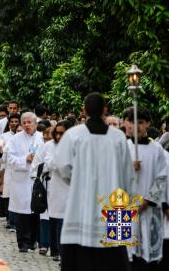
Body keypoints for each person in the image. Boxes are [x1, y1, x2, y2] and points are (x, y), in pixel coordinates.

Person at [53, 92, 135, 271]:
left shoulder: (73, 135)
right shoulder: (118, 137)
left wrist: (78, 181)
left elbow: (62, 167)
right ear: (105, 110)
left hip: (81, 202)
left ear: (84, 109)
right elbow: (128, 176)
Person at [126, 108, 167, 269]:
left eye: (141, 123)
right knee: (124, 257)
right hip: (125, 209)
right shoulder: (122, 147)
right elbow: (111, 174)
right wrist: (129, 168)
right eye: (134, 122)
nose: (137, 126)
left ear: (148, 124)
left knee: (146, 259)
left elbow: (162, 178)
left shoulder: (157, 149)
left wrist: (146, 202)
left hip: (148, 209)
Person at [33, 120, 73, 261]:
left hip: (70, 187)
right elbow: (47, 164)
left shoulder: (75, 145)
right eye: (57, 133)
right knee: (54, 219)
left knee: (65, 221)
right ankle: (55, 250)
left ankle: (64, 253)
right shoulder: (49, 146)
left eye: (63, 133)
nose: (59, 136)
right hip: (54, 186)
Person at [6, 112, 44, 252]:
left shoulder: (41, 138)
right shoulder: (15, 140)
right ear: (21, 124)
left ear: (35, 123)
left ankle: (33, 240)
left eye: (30, 122)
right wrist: (25, 160)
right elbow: (10, 159)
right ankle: (22, 242)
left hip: (36, 181)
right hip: (21, 180)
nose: (27, 125)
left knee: (35, 212)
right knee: (22, 214)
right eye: (24, 123)